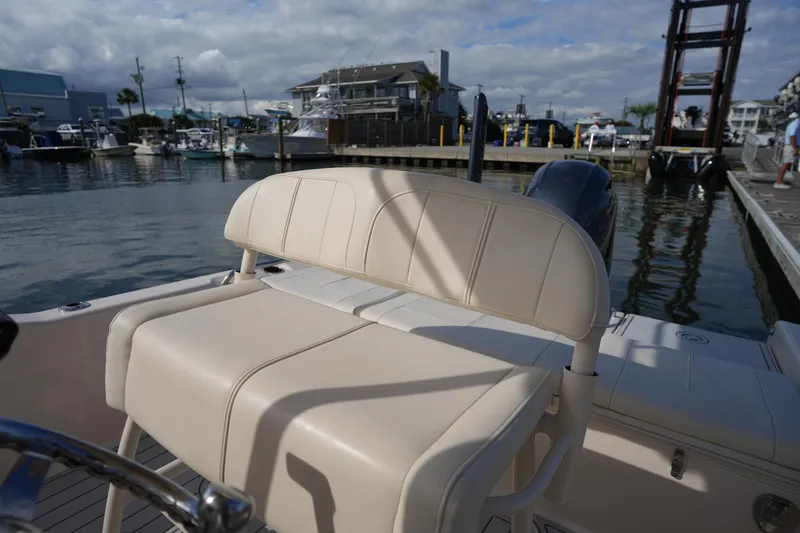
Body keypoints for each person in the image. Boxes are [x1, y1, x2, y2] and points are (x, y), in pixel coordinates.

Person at [776, 111, 799, 189]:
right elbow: (792, 136)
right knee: (786, 164)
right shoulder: (795, 124)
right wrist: (795, 148)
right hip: (791, 146)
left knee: (786, 164)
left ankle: (779, 182)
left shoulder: (792, 124)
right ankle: (778, 183)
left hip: (791, 146)